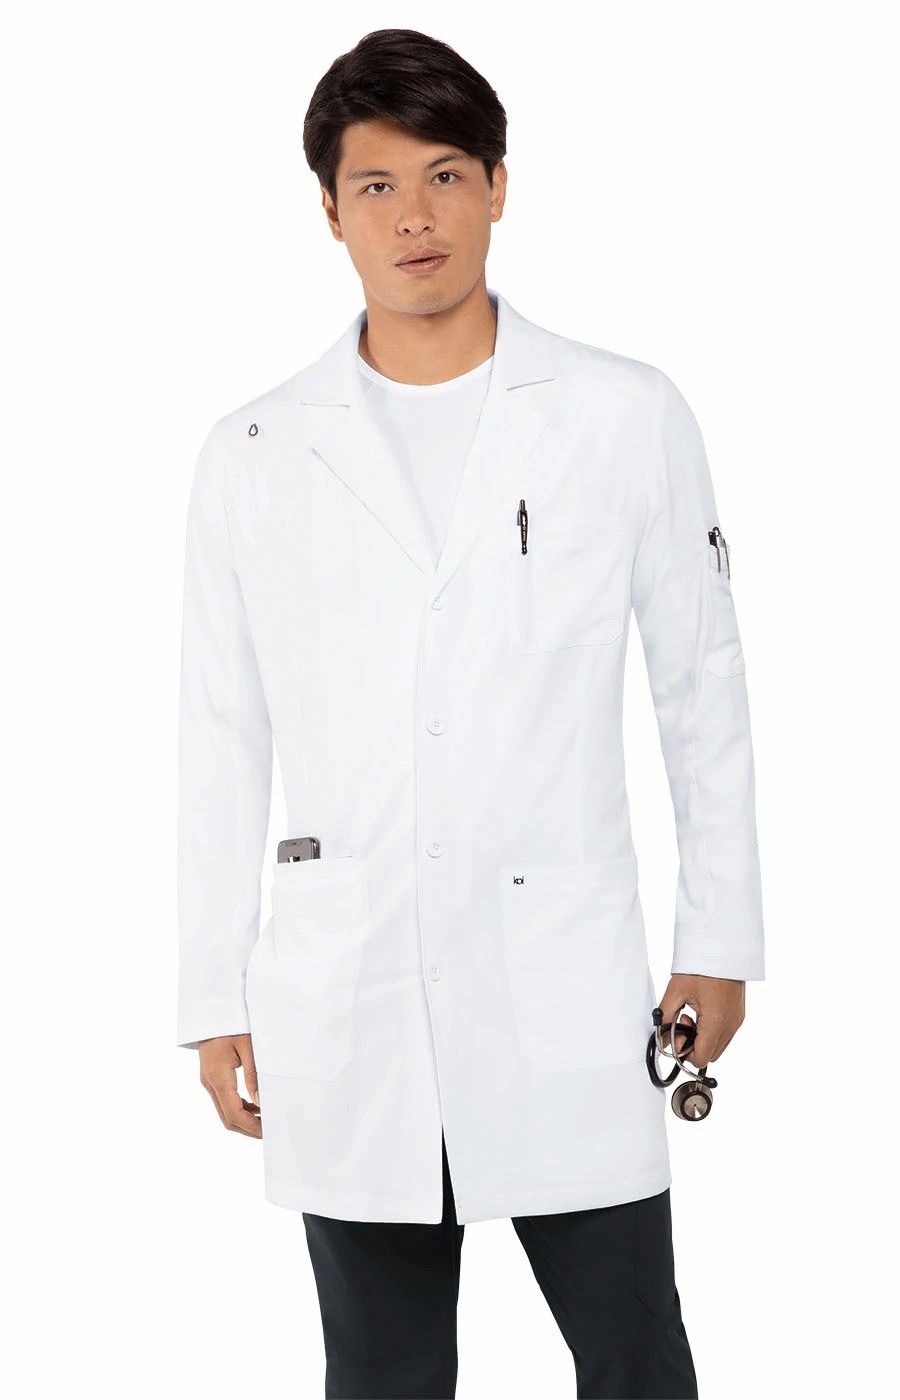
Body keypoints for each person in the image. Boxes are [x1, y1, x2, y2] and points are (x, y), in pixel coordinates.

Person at [176, 27, 765, 1400]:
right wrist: (212, 992)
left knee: (633, 1355)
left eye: (445, 175)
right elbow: (219, 733)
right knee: (381, 1375)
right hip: (350, 984)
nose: (414, 218)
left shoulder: (623, 414)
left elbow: (703, 688)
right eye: (375, 186)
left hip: (563, 971)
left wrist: (720, 939)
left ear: (500, 186)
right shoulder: (254, 451)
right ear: (329, 213)